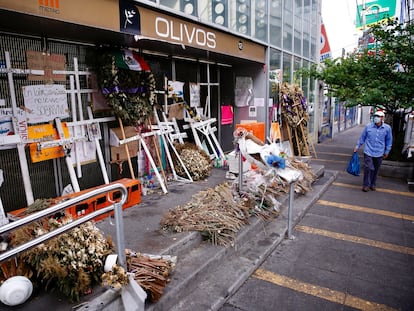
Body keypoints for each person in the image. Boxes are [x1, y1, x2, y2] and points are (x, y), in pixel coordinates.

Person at [353, 110, 392, 192]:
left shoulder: (387, 128)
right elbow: (362, 138)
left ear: (382, 118)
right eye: (376, 116)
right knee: (368, 168)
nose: (376, 118)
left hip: (379, 152)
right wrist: (357, 146)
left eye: (378, 116)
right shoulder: (368, 127)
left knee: (376, 169)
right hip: (368, 151)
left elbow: (389, 141)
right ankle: (366, 185)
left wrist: (387, 151)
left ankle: (373, 184)